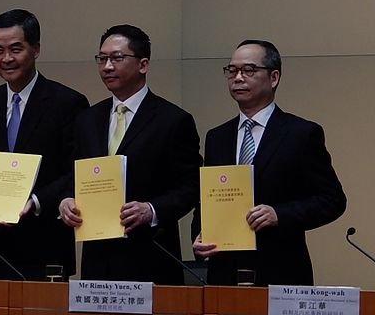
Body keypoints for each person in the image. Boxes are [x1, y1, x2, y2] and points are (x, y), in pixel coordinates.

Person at [192, 40, 346, 286]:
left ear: (273, 77)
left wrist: (279, 214)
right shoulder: (217, 137)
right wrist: (200, 235)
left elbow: (332, 200)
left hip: (280, 269)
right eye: (232, 71)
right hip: (224, 273)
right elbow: (206, 199)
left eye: (249, 70)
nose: (238, 78)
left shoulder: (301, 133)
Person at [59, 25, 202, 284]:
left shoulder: (173, 120)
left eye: (117, 58)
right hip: (97, 260)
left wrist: (152, 209)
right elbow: (73, 174)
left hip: (151, 257)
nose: (107, 66)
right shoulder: (87, 119)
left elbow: (191, 186)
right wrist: (67, 199)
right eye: (102, 58)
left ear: (143, 64)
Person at [0, 9, 89, 281]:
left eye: (15, 49)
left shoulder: (67, 102)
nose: (6, 59)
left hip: (44, 244)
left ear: (36, 49)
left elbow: (75, 170)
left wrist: (36, 200)